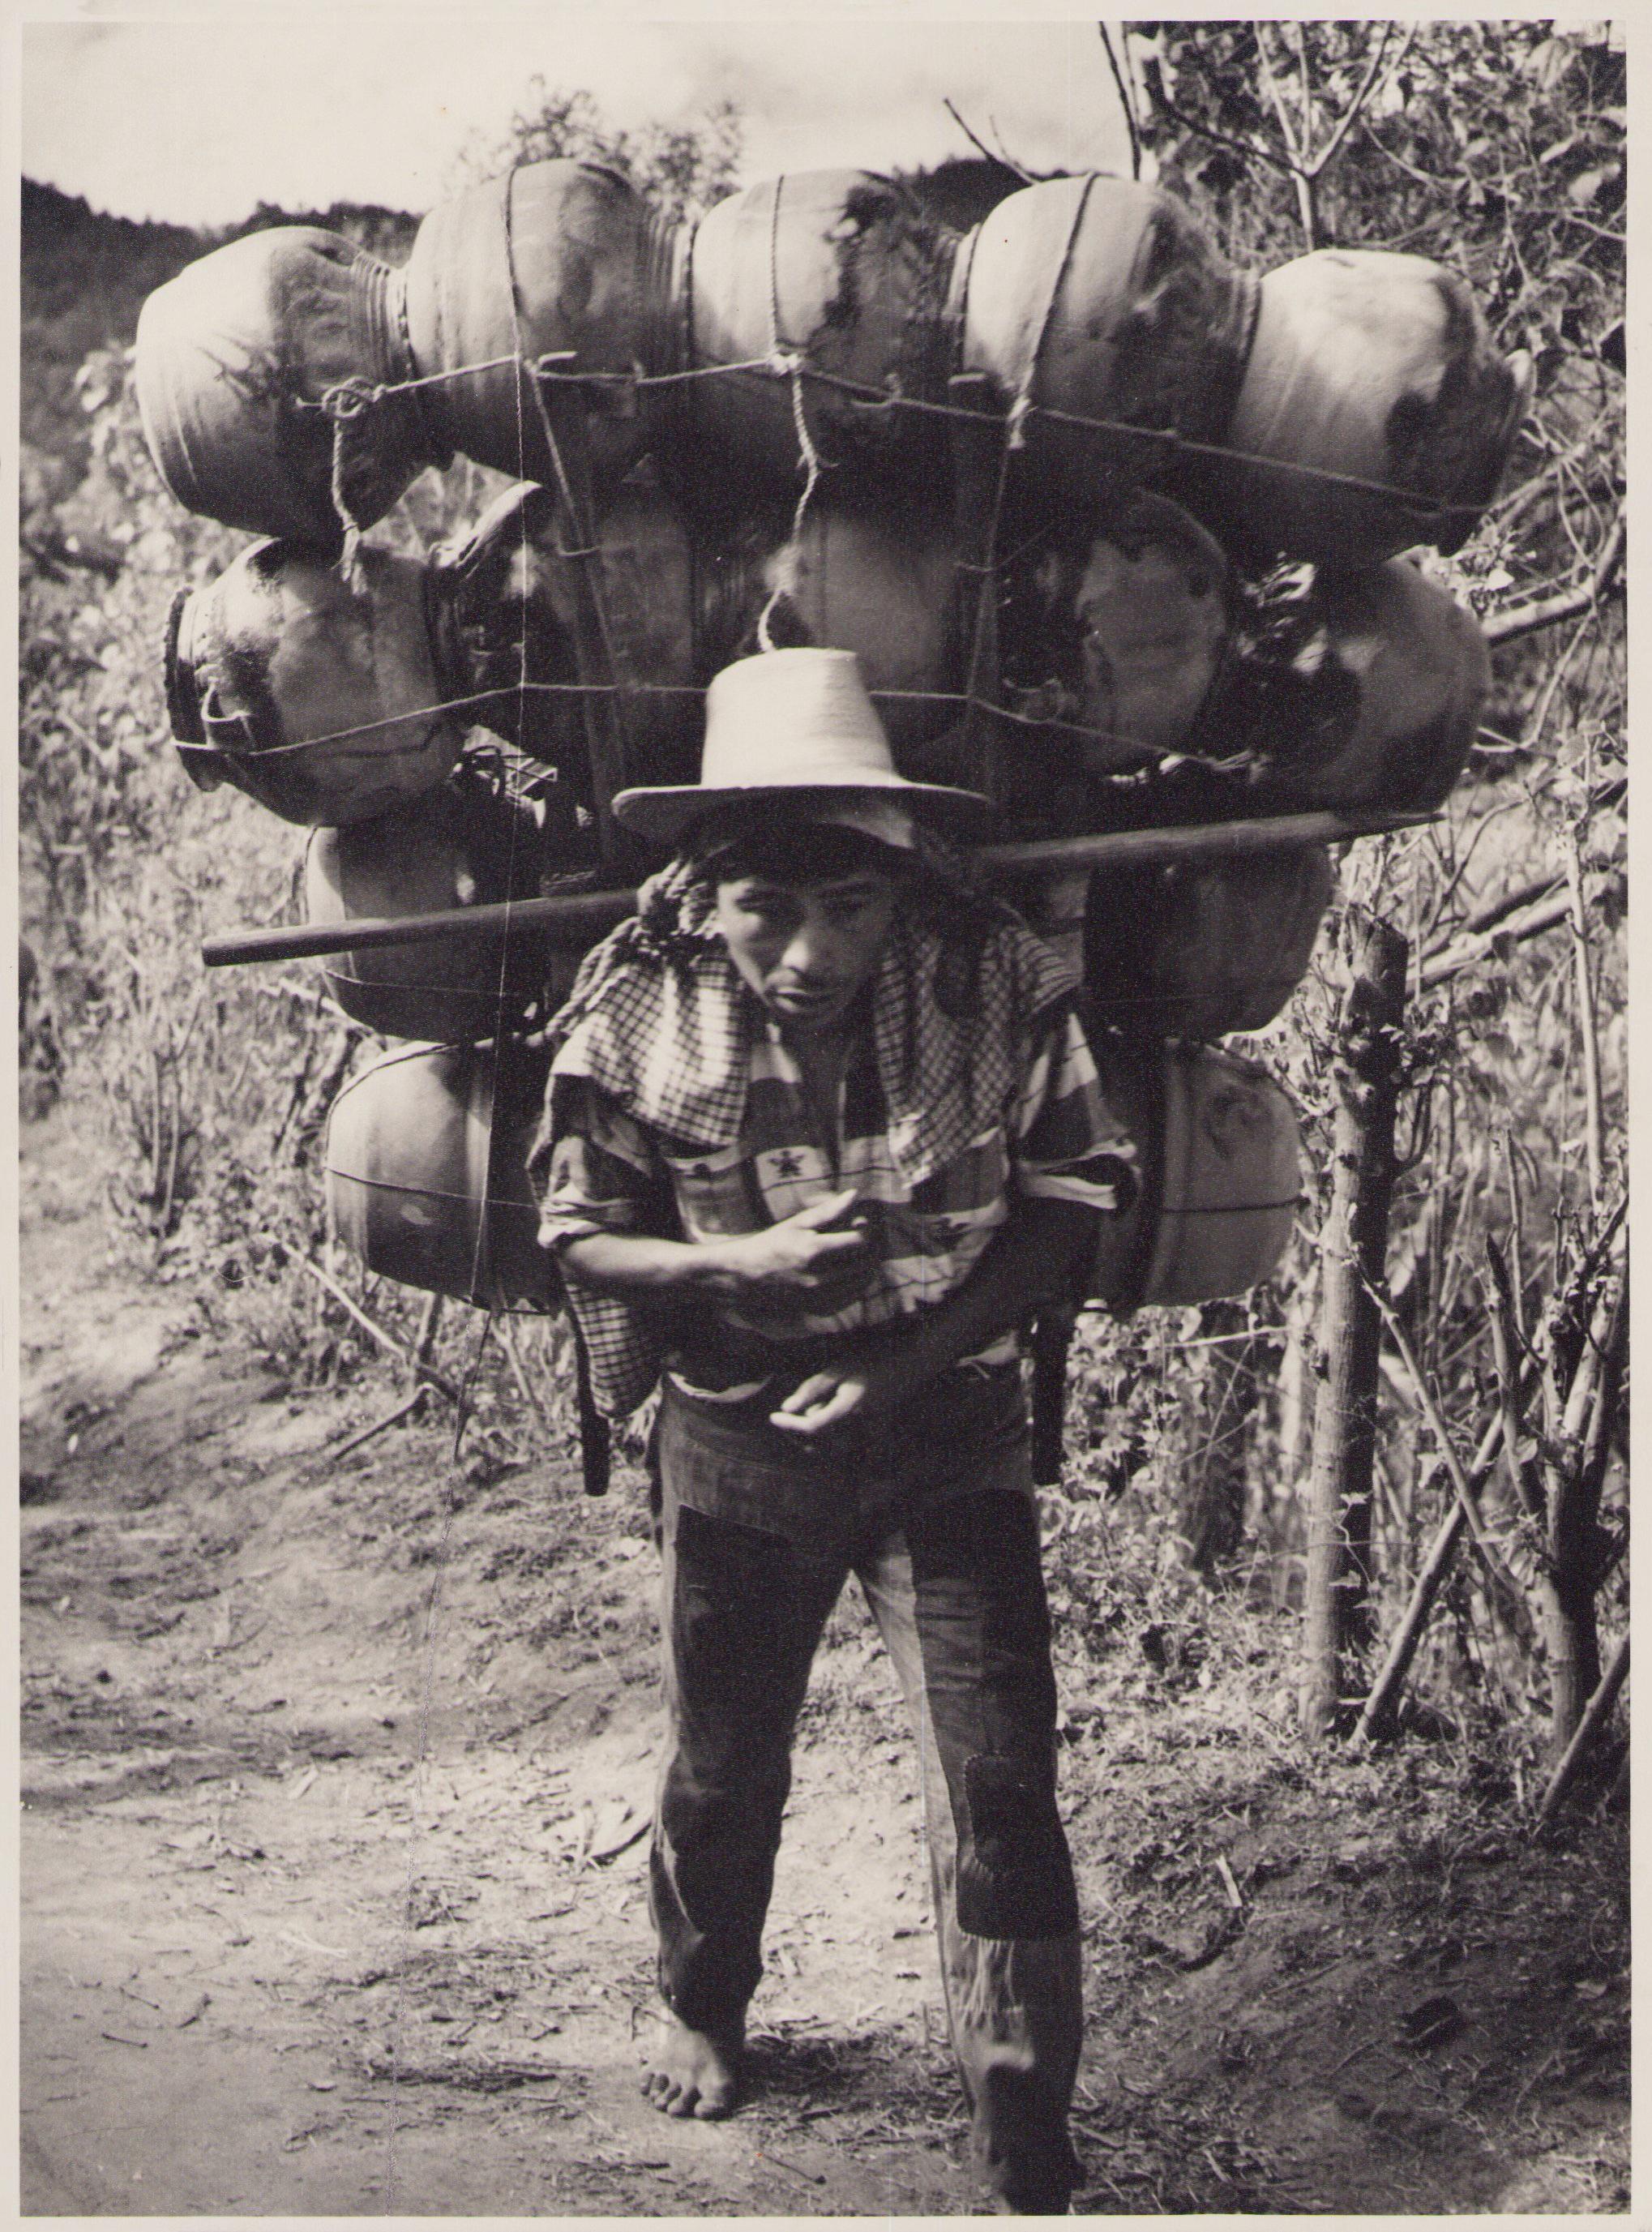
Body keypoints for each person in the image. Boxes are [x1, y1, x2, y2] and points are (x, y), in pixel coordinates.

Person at [529, 648, 1138, 2214]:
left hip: (949, 1428)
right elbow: (579, 1229)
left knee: (1001, 1770)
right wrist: (729, 1267)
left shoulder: (989, 978)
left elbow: (1069, 1204)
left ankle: (1020, 2114)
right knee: (725, 1767)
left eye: (849, 908)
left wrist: (905, 1355)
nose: (810, 951)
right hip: (737, 1438)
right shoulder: (639, 1002)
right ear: (706, 889)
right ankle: (702, 1999)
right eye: (767, 908)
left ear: (898, 881)